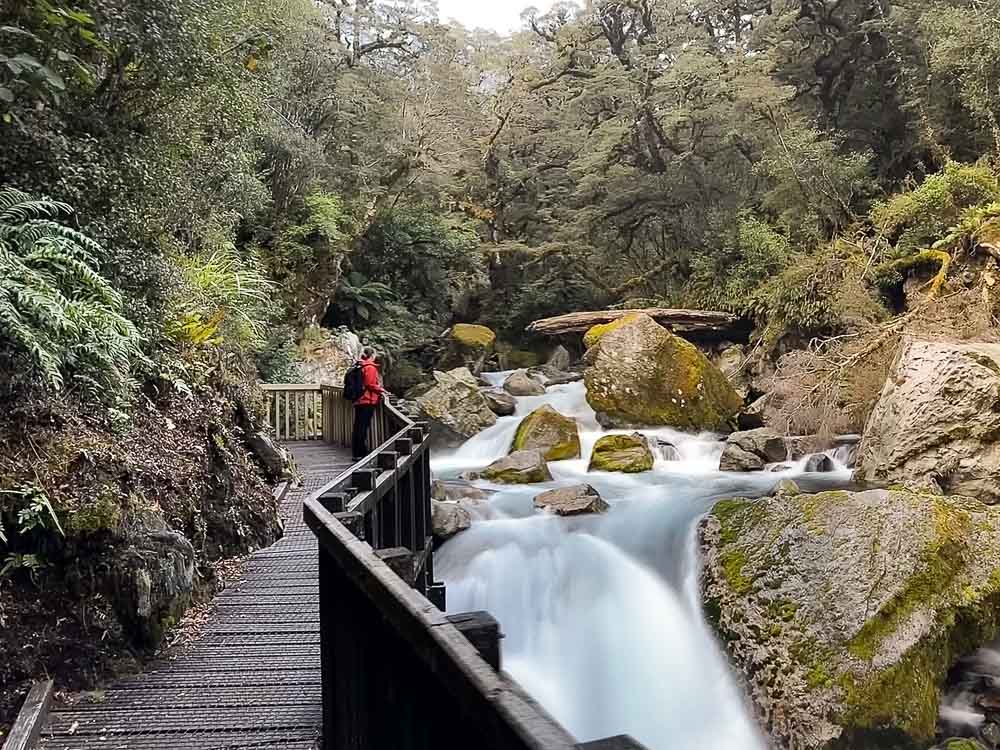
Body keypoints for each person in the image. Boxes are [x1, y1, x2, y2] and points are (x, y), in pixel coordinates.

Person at [351, 347, 385, 460]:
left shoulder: (359, 366)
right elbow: (370, 384)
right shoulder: (370, 367)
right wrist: (381, 390)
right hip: (367, 400)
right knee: (362, 427)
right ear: (372, 355)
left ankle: (357, 452)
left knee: (358, 427)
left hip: (359, 399)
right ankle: (360, 453)